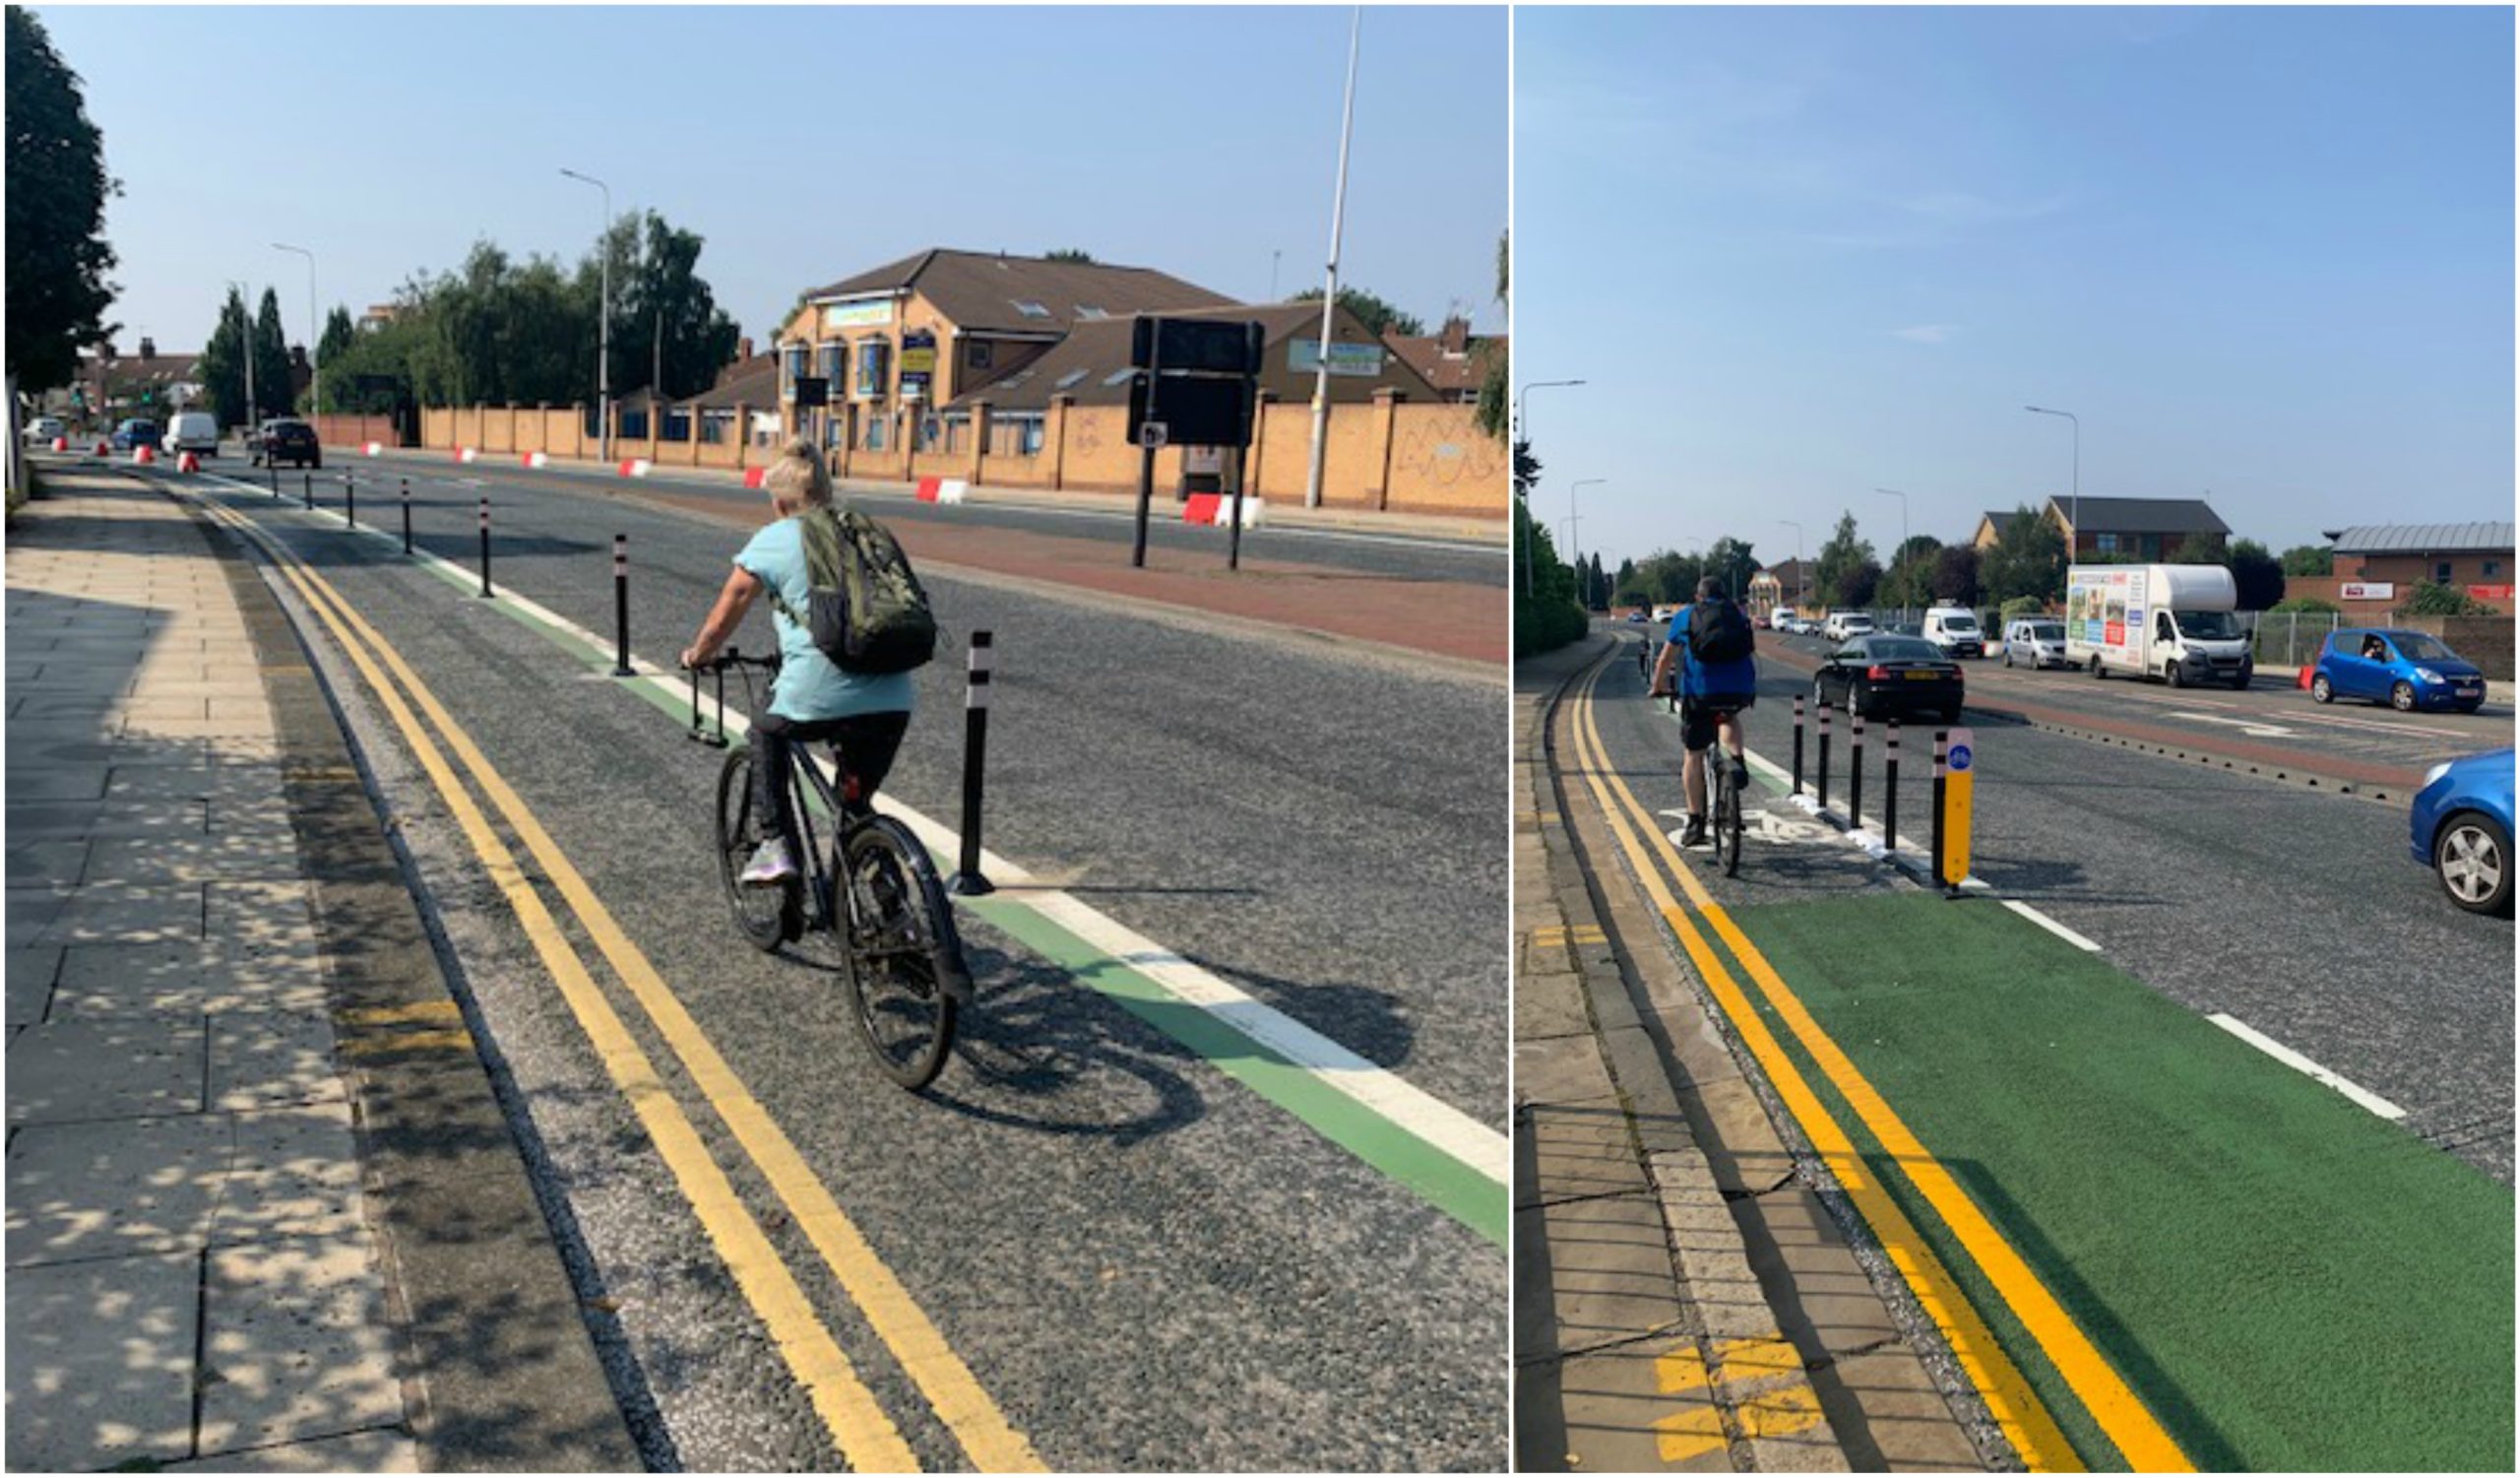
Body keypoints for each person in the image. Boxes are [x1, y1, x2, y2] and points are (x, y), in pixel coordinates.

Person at [680, 440, 914, 885]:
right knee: (855, 807)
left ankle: (774, 845)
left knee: (766, 730)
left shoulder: (776, 537)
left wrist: (699, 655)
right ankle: (893, 911)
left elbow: (729, 606)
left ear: (780, 500)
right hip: (893, 694)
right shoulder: (866, 529)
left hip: (818, 692)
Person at [1650, 576, 1757, 848]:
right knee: (1729, 718)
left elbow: (1666, 658)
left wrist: (1657, 686)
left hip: (1700, 694)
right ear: (1724, 596)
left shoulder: (1686, 616)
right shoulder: (1737, 614)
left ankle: (1695, 822)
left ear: (1698, 596)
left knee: (1693, 755)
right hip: (1739, 690)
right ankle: (1738, 761)